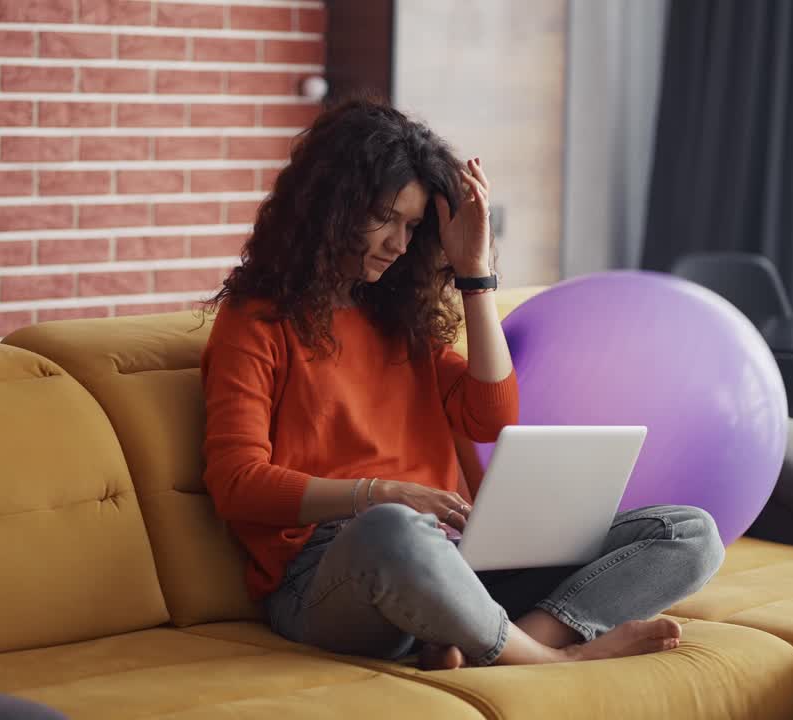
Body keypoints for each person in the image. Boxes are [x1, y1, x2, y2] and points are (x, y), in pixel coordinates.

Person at [199, 98, 724, 670]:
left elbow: (491, 417)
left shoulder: (400, 320)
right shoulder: (256, 321)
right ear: (330, 205)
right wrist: (383, 493)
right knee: (394, 530)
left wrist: (476, 275)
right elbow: (237, 483)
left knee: (689, 532)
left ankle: (501, 637)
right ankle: (551, 662)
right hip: (336, 573)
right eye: (384, 217)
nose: (399, 244)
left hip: (456, 560)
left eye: (414, 226)